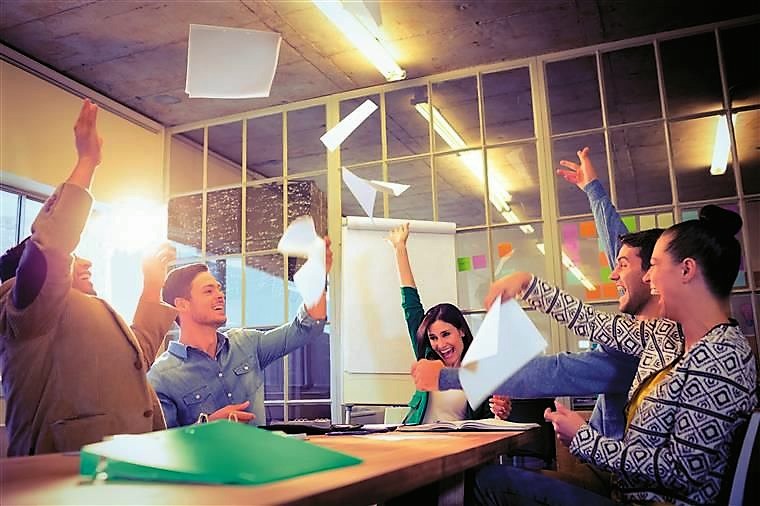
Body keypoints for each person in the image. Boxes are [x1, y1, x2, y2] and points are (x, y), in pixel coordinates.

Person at [471, 204, 756, 505]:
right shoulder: (668, 335)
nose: (647, 278)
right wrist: (526, 284)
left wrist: (585, 440)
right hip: (623, 493)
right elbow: (591, 322)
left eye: (654, 265)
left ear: (686, 270)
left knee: (488, 481)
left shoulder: (721, 358)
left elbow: (683, 472)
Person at [0, 100, 178, 456]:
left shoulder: (84, 315)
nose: (83, 262)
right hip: (62, 472)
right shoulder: (26, 312)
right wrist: (87, 162)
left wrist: (151, 286)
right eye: (72, 257)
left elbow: (137, 355)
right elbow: (50, 245)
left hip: (120, 467)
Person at [147, 240, 332, 428]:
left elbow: (306, 328)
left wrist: (317, 277)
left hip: (258, 448)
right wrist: (208, 425)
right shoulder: (160, 377)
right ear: (182, 304)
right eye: (208, 291)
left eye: (219, 289)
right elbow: (163, 441)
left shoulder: (246, 343)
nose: (220, 295)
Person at [388, 222, 511, 424]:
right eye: (433, 337)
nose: (440, 344)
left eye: (446, 334)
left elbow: (491, 419)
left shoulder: (480, 369)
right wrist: (400, 248)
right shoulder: (427, 357)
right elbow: (411, 304)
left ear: (461, 331)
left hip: (458, 441)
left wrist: (500, 412)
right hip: (417, 436)